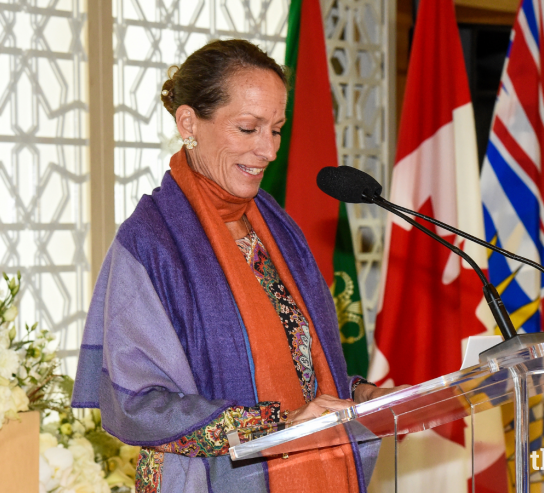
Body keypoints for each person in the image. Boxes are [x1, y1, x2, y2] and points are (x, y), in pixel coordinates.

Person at [72, 39, 398, 493]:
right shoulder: (150, 241)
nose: (268, 150)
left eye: (277, 129)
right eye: (248, 128)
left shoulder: (277, 229)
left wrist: (360, 395)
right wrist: (275, 424)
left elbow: (302, 363)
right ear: (189, 122)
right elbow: (137, 405)